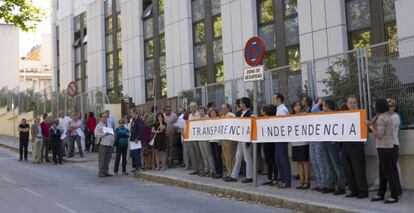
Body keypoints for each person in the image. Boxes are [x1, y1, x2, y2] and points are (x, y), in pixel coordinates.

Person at [369, 98, 402, 204]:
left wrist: (371, 128)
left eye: (375, 105)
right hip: (385, 148)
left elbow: (379, 134)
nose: (373, 106)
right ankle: (381, 193)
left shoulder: (383, 118)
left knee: (389, 173)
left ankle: (394, 196)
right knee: (383, 172)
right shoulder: (384, 116)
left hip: (385, 148)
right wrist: (376, 116)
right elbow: (370, 122)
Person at [341, 96, 369, 199]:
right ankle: (354, 190)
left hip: (357, 145)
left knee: (358, 169)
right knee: (348, 169)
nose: (352, 104)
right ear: (347, 104)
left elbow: (366, 128)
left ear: (356, 104)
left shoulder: (360, 115)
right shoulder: (342, 116)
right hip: (345, 145)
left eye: (354, 103)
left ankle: (363, 191)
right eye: (350, 103)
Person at [320, 99, 346, 195]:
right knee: (328, 165)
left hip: (333, 143)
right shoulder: (323, 116)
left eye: (323, 106)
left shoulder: (336, 115)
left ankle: (341, 186)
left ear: (327, 106)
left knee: (337, 165)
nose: (322, 108)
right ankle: (331, 185)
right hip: (325, 141)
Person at [225, 97, 253, 183]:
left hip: (246, 138)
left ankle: (249, 176)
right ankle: (234, 176)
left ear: (244, 104)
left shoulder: (250, 114)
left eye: (240, 103)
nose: (239, 105)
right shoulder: (240, 113)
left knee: (247, 157)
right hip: (240, 138)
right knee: (238, 157)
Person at [272, 93, 291, 188]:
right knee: (278, 159)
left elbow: (283, 124)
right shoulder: (278, 109)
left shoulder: (283, 110)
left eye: (274, 99)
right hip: (278, 137)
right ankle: (282, 179)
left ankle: (286, 181)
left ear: (279, 99)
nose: (273, 101)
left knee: (283, 159)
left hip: (282, 138)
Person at [309, 98, 328, 192]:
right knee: (314, 161)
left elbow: (313, 110)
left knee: (321, 162)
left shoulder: (321, 113)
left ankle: (324, 183)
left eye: (315, 104)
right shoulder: (313, 113)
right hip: (312, 140)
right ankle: (319, 182)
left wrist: (320, 102)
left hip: (320, 141)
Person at [291, 101, 310, 189]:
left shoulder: (304, 115)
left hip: (303, 142)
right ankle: (301, 181)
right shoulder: (290, 117)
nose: (297, 107)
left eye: (298, 105)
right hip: (295, 143)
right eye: (296, 106)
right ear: (293, 108)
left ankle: (306, 181)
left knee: (305, 162)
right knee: (298, 162)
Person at [260, 105, 278, 185]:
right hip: (265, 142)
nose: (261, 111)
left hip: (271, 143)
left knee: (273, 161)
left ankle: (275, 178)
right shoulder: (262, 119)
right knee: (268, 161)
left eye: (262, 110)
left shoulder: (271, 119)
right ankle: (269, 178)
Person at [95, 113, 116, 177]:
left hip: (110, 144)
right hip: (103, 144)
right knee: (102, 159)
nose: (105, 118)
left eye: (106, 117)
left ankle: (105, 171)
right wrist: (104, 134)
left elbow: (112, 132)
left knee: (108, 159)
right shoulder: (98, 126)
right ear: (100, 118)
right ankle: (101, 172)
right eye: (103, 117)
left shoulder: (109, 124)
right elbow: (96, 135)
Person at [220, 103, 236, 179]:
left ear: (228, 109)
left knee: (231, 156)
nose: (222, 110)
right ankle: (228, 171)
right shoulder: (221, 117)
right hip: (223, 138)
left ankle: (232, 172)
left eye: (224, 108)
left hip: (230, 139)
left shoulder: (231, 115)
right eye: (222, 108)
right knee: (225, 156)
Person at [198, 106, 215, 177]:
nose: (201, 112)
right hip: (200, 138)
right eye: (200, 111)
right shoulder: (198, 119)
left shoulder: (207, 118)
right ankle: (206, 169)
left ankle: (212, 170)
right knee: (203, 155)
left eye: (202, 111)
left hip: (206, 138)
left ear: (204, 111)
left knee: (208, 154)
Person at [187, 102, 203, 175]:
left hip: (197, 136)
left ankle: (201, 168)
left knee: (198, 152)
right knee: (192, 153)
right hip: (191, 136)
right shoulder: (189, 115)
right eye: (191, 107)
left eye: (194, 106)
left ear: (196, 107)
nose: (192, 108)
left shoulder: (199, 114)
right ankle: (195, 169)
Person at [208, 109, 223, 179]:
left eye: (214, 113)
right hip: (211, 140)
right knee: (214, 156)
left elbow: (221, 130)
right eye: (211, 113)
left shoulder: (219, 120)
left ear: (216, 114)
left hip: (217, 141)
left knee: (218, 157)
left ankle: (220, 173)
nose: (213, 114)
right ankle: (216, 172)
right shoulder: (209, 121)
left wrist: (220, 140)